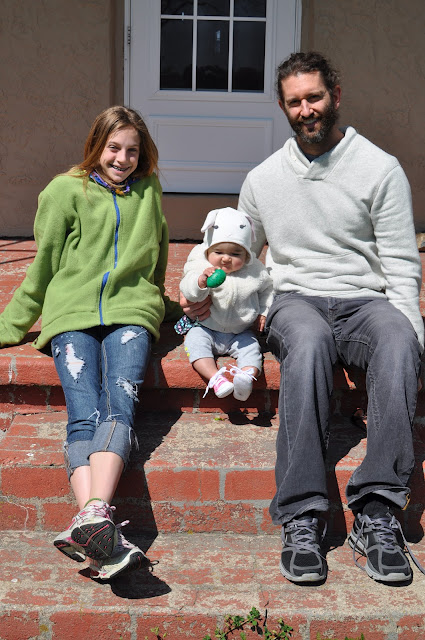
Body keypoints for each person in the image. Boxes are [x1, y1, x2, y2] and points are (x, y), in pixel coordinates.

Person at [181, 51, 425, 584]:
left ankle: (379, 510)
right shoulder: (262, 178)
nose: (306, 109)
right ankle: (302, 515)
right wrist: (206, 304)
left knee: (398, 341)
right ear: (282, 107)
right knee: (309, 343)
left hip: (365, 301)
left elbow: (402, 264)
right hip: (294, 300)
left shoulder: (380, 168)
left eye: (314, 97)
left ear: (335, 96)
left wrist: (412, 335)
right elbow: (239, 260)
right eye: (294, 102)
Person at [0, 106, 181, 581]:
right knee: (84, 412)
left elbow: (157, 252)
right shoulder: (63, 191)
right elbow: (43, 265)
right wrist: (11, 325)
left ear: (143, 155)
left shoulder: (148, 190)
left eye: (132, 151)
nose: (122, 159)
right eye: (113, 148)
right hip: (71, 313)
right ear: (96, 145)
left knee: (119, 402)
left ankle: (91, 518)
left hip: (131, 314)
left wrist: (163, 306)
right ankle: (97, 522)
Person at [178, 207, 273, 400]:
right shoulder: (200, 266)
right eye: (218, 251)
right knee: (195, 342)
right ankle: (216, 379)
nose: (226, 258)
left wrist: (264, 311)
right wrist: (200, 282)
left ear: (247, 255)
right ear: (208, 250)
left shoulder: (255, 271)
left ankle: (245, 378)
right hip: (207, 327)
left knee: (252, 349)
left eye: (236, 253)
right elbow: (187, 288)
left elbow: (267, 290)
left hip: (240, 331)